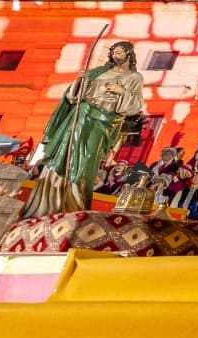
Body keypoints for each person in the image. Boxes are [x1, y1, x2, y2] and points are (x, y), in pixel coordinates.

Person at [22, 41, 144, 219]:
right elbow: (74, 98)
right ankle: (49, 204)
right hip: (81, 116)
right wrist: (80, 81)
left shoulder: (134, 77)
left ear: (128, 54)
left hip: (104, 122)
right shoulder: (98, 72)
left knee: (87, 158)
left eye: (119, 52)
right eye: (113, 52)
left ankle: (74, 204)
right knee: (65, 153)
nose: (115, 55)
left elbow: (136, 105)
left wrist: (123, 92)